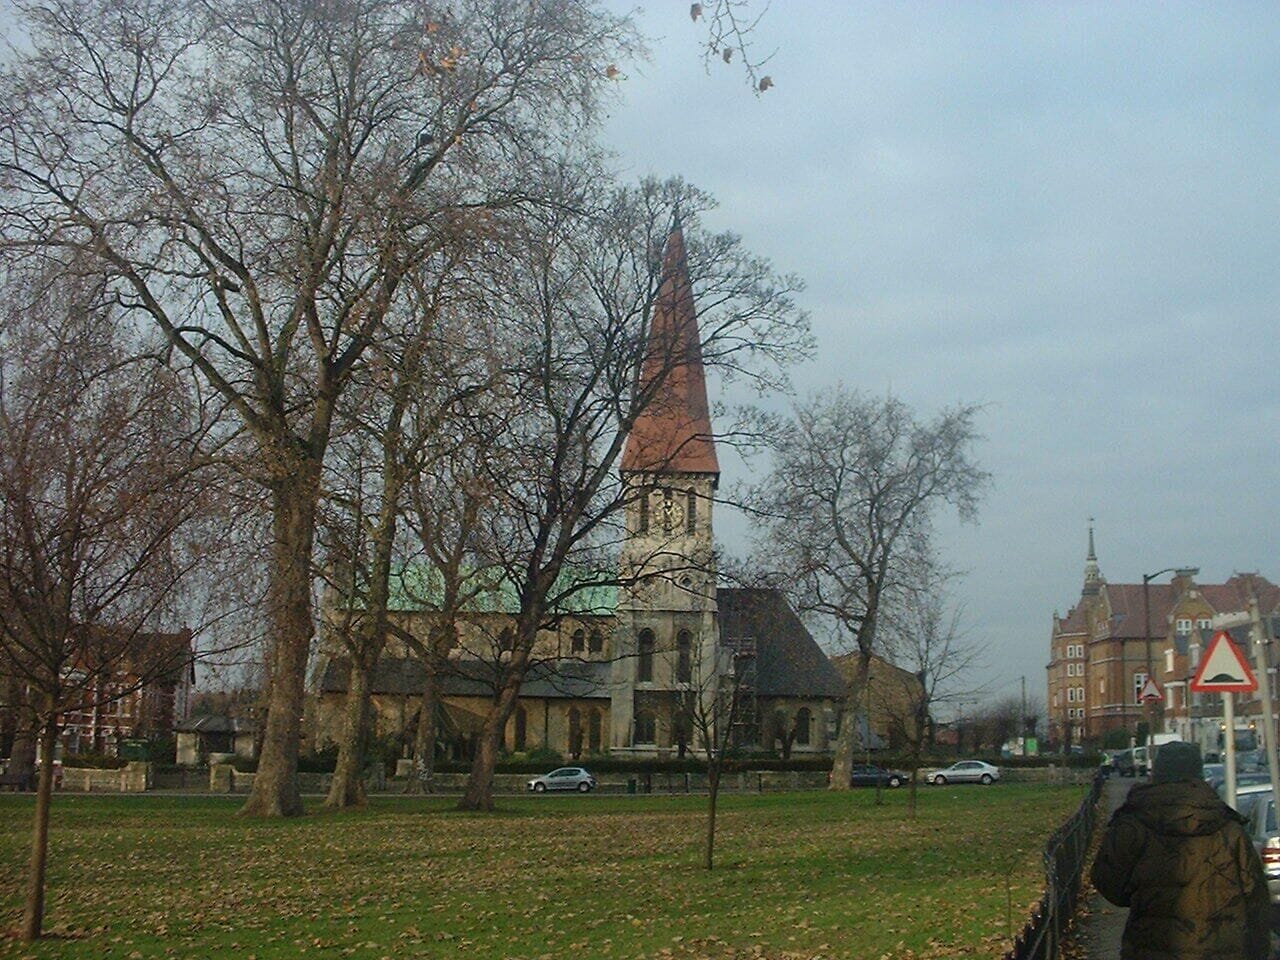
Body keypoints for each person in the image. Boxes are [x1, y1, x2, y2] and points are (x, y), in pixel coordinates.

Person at [1091, 740, 1270, 959]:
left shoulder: (1133, 823)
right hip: (1220, 948)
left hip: (1152, 945)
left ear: (1157, 772)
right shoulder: (1229, 829)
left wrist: (1147, 896)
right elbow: (1256, 899)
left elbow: (1108, 882)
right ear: (1199, 773)